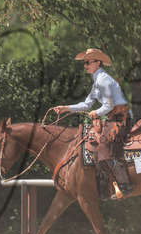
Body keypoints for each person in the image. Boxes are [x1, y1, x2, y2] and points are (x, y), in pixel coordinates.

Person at [54, 48, 134, 199]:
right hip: (114, 117)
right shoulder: (97, 81)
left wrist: (97, 112)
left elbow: (109, 105)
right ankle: (107, 182)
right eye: (84, 63)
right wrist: (66, 108)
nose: (85, 66)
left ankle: (124, 185)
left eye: (87, 62)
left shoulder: (103, 80)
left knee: (104, 144)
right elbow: (86, 104)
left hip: (121, 117)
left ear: (97, 63)